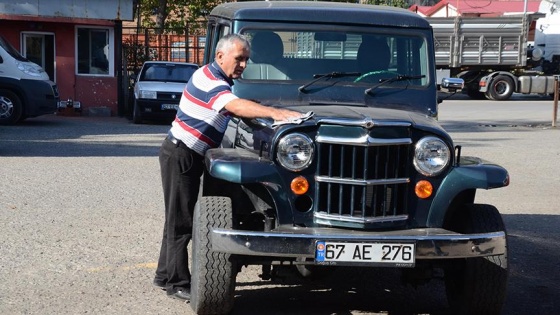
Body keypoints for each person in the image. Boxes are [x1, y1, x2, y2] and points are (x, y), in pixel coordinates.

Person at [153, 33, 302, 301]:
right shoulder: (211, 81)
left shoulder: (218, 78)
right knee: (182, 221)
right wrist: (275, 113)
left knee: (176, 217)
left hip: (185, 153)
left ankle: (164, 275)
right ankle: (176, 283)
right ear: (220, 56)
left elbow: (234, 107)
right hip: (181, 153)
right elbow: (234, 106)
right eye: (239, 58)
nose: (244, 64)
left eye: (246, 59)